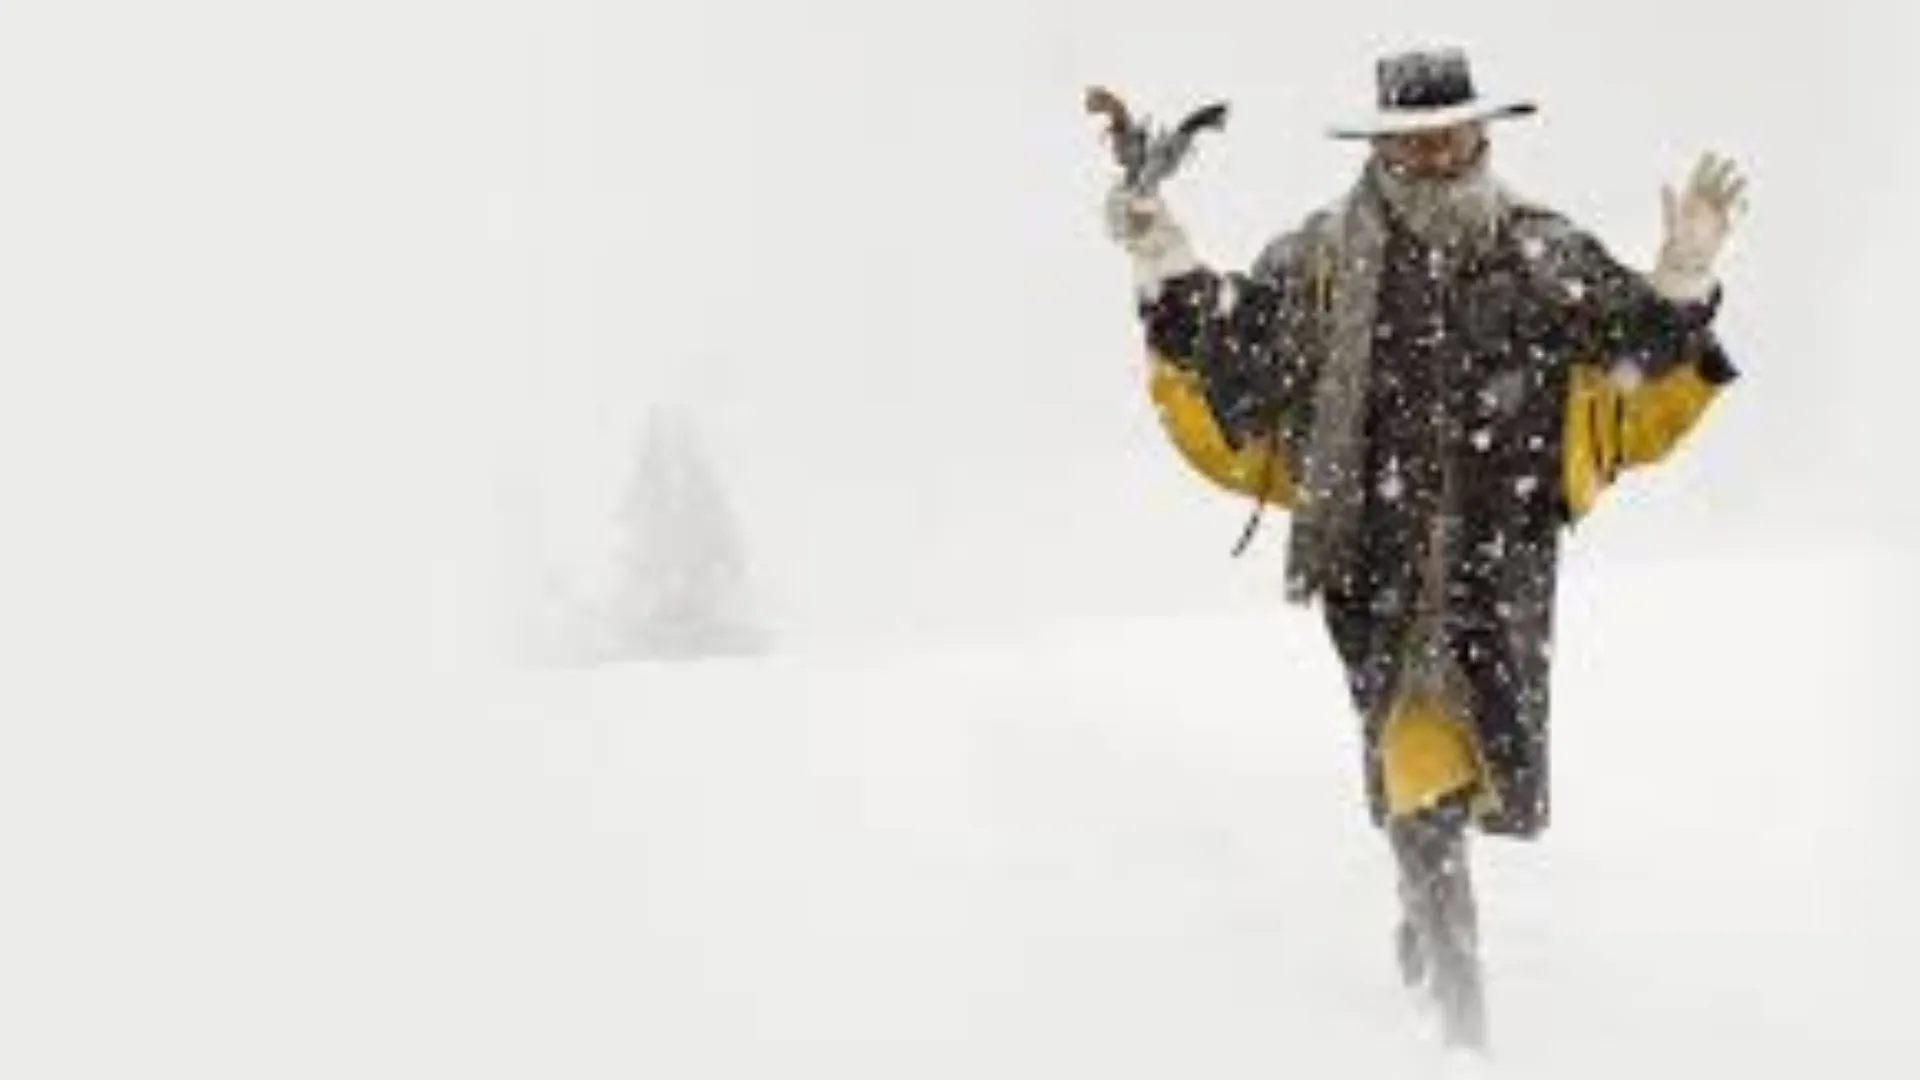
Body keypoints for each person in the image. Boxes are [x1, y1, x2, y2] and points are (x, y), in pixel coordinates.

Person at [1102, 46, 1745, 1052]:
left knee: (1467, 784)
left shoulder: (1539, 252)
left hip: (1502, 575)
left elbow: (1636, 346)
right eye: (1415, 139)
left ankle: (1424, 927)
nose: (1438, 151)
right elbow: (1235, 353)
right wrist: (1163, 254)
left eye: (1452, 133)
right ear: (1384, 146)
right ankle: (1461, 1028)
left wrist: (1684, 271)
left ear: (1482, 132)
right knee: (1423, 797)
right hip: (1377, 574)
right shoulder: (1322, 260)